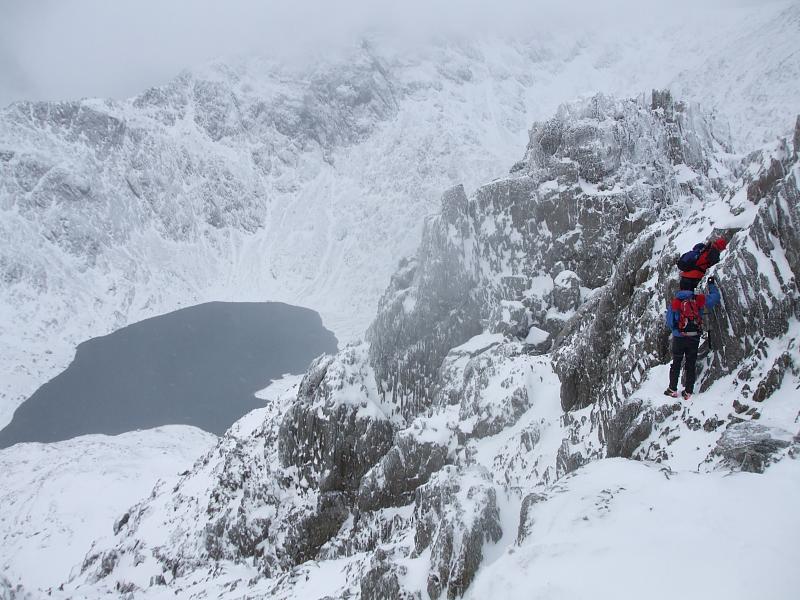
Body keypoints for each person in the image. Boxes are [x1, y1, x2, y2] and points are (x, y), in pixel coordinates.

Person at [664, 276, 721, 400]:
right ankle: (688, 392)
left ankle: (672, 389)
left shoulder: (676, 302)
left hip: (679, 337)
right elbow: (715, 298)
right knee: (690, 363)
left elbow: (669, 322)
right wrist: (711, 285)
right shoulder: (698, 300)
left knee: (676, 363)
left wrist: (677, 329)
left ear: (681, 287)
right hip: (694, 337)